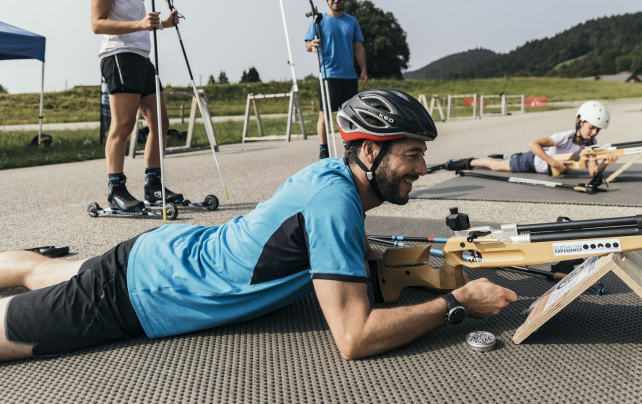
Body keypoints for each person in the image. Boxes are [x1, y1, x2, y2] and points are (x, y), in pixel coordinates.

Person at [0, 89, 516, 362]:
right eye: (412, 155)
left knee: (43, 270)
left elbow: (324, 242)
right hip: (142, 290)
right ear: (368, 150)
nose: (422, 169)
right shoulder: (336, 203)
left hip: (161, 252)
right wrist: (456, 305)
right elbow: (355, 338)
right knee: (12, 334)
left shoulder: (336, 178)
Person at [91, 0, 182, 212]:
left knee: (161, 123)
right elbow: (97, 24)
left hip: (141, 56)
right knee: (124, 125)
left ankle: (154, 186)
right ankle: (115, 190)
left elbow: (137, 24)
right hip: (119, 56)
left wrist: (162, 24)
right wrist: (142, 23)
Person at [441, 100, 618, 178]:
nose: (594, 133)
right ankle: (468, 162)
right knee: (495, 165)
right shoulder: (566, 137)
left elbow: (593, 172)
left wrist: (605, 164)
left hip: (544, 169)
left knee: (502, 162)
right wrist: (554, 163)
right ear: (580, 121)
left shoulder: (592, 145)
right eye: (591, 127)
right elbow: (533, 144)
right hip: (532, 162)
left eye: (598, 129)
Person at [305, 0, 369, 159]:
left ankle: (350, 148)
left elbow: (359, 47)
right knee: (324, 115)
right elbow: (308, 44)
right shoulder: (318, 20)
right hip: (328, 75)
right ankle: (323, 150)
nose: (336, 0)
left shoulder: (351, 21)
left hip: (349, 76)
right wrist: (312, 45)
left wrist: (363, 69)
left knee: (349, 114)